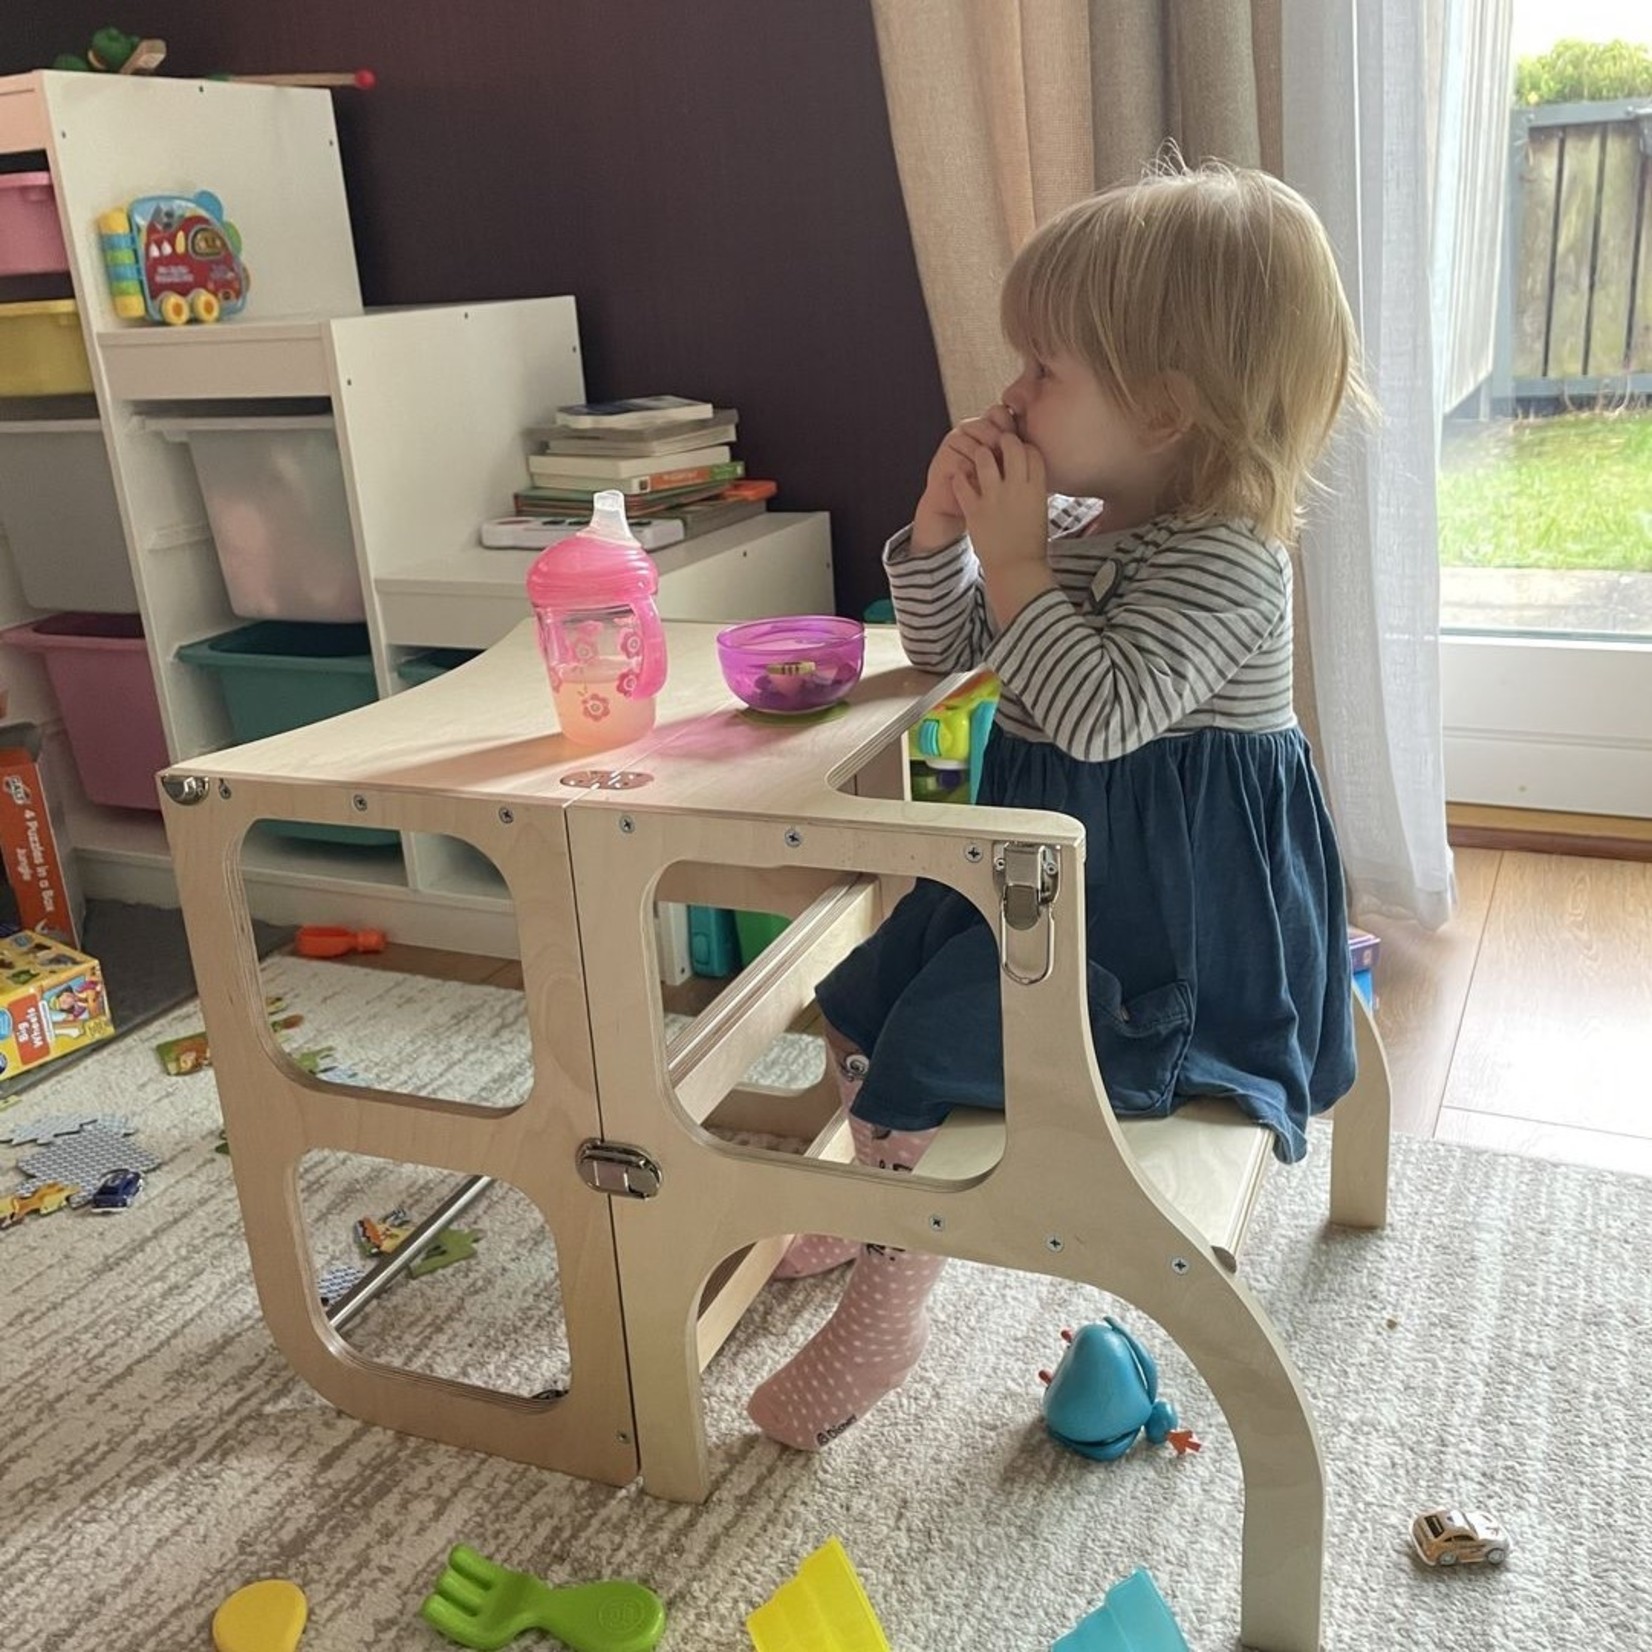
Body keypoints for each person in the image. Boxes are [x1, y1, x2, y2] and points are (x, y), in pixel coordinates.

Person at [747, 159, 1367, 1454]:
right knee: (866, 1001)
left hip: (1157, 921)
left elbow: (1094, 711)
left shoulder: (1227, 560)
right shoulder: (1082, 519)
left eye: (1044, 370)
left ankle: (888, 1313)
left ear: (1164, 411)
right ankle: (884, 1200)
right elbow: (955, 649)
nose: (1012, 393)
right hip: (1043, 866)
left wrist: (1024, 559)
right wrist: (942, 536)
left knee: (945, 1038)